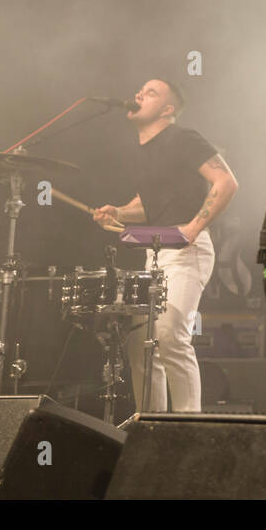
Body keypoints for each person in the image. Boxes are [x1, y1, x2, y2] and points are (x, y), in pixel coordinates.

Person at [94, 78, 238, 413]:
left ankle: (188, 427)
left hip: (188, 251)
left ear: (168, 109)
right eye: (139, 90)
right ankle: (151, 427)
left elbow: (226, 181)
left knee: (171, 335)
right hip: (156, 254)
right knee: (141, 347)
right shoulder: (144, 150)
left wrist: (193, 226)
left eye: (151, 92)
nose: (139, 94)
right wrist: (118, 211)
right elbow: (149, 204)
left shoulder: (183, 138)